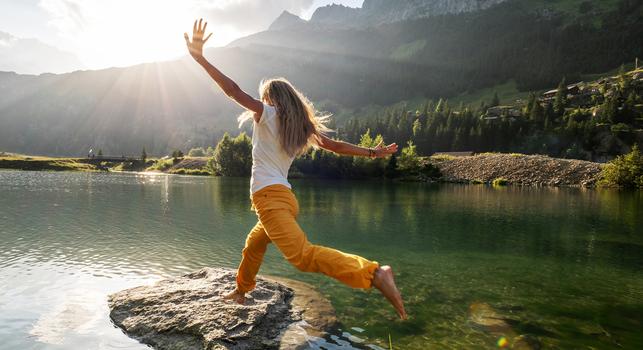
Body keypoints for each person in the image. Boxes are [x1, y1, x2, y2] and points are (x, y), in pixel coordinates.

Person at [184, 19, 407, 320]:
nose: (259, 103)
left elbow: (232, 89)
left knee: (302, 257)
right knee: (253, 245)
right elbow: (336, 146)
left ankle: (374, 274)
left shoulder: (268, 114)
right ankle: (241, 291)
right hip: (283, 200)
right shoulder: (300, 126)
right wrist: (372, 152)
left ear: (270, 99)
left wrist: (201, 59)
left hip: (271, 200)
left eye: (262, 98)